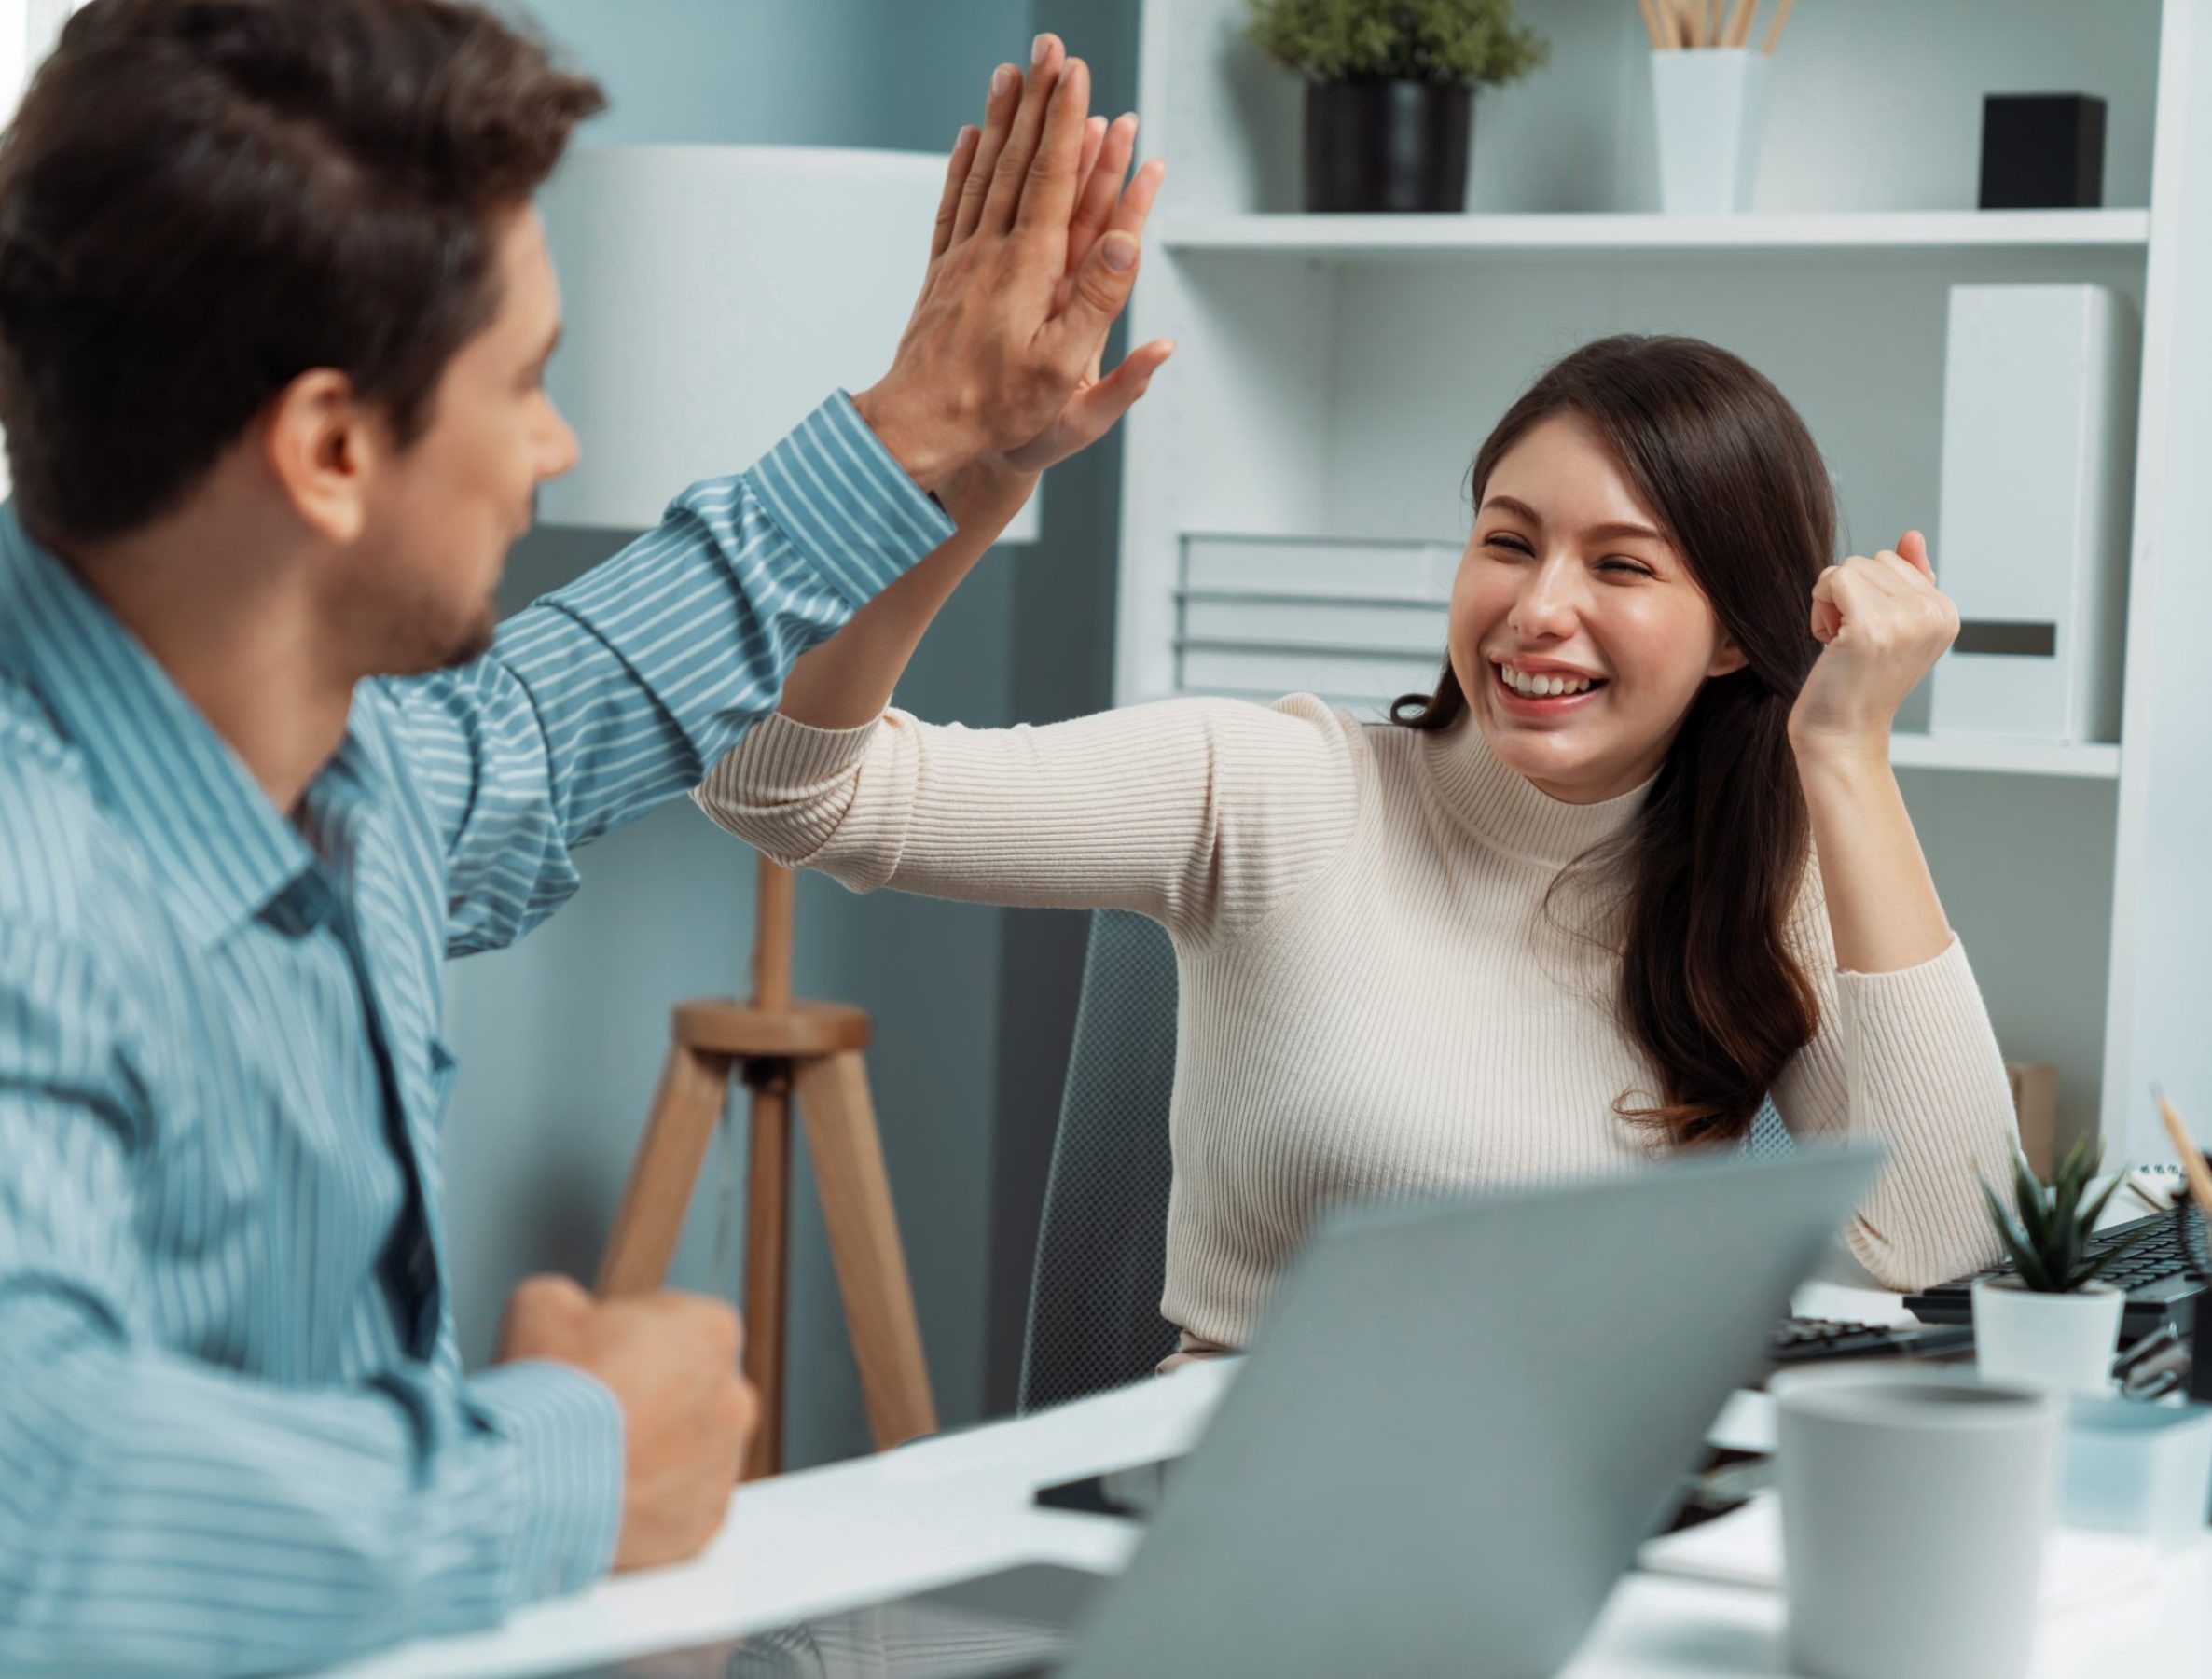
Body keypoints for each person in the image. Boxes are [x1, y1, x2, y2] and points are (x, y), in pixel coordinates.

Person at [0, 2, 1163, 1671]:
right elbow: (32, 1504)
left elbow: (542, 724)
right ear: (331, 449)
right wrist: (579, 1459)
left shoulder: (339, 767)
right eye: (530, 382)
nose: (558, 445)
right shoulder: (29, 885)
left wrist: (929, 434)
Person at [696, 334, 2023, 1367]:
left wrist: (1844, 757)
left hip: (1579, 1518)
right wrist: (974, 490)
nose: (1538, 610)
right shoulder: (1274, 790)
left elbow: (1947, 1249)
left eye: (1622, 567)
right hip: (1247, 1509)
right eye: (1508, 541)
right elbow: (781, 787)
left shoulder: (1754, 888)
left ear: (1737, 634)